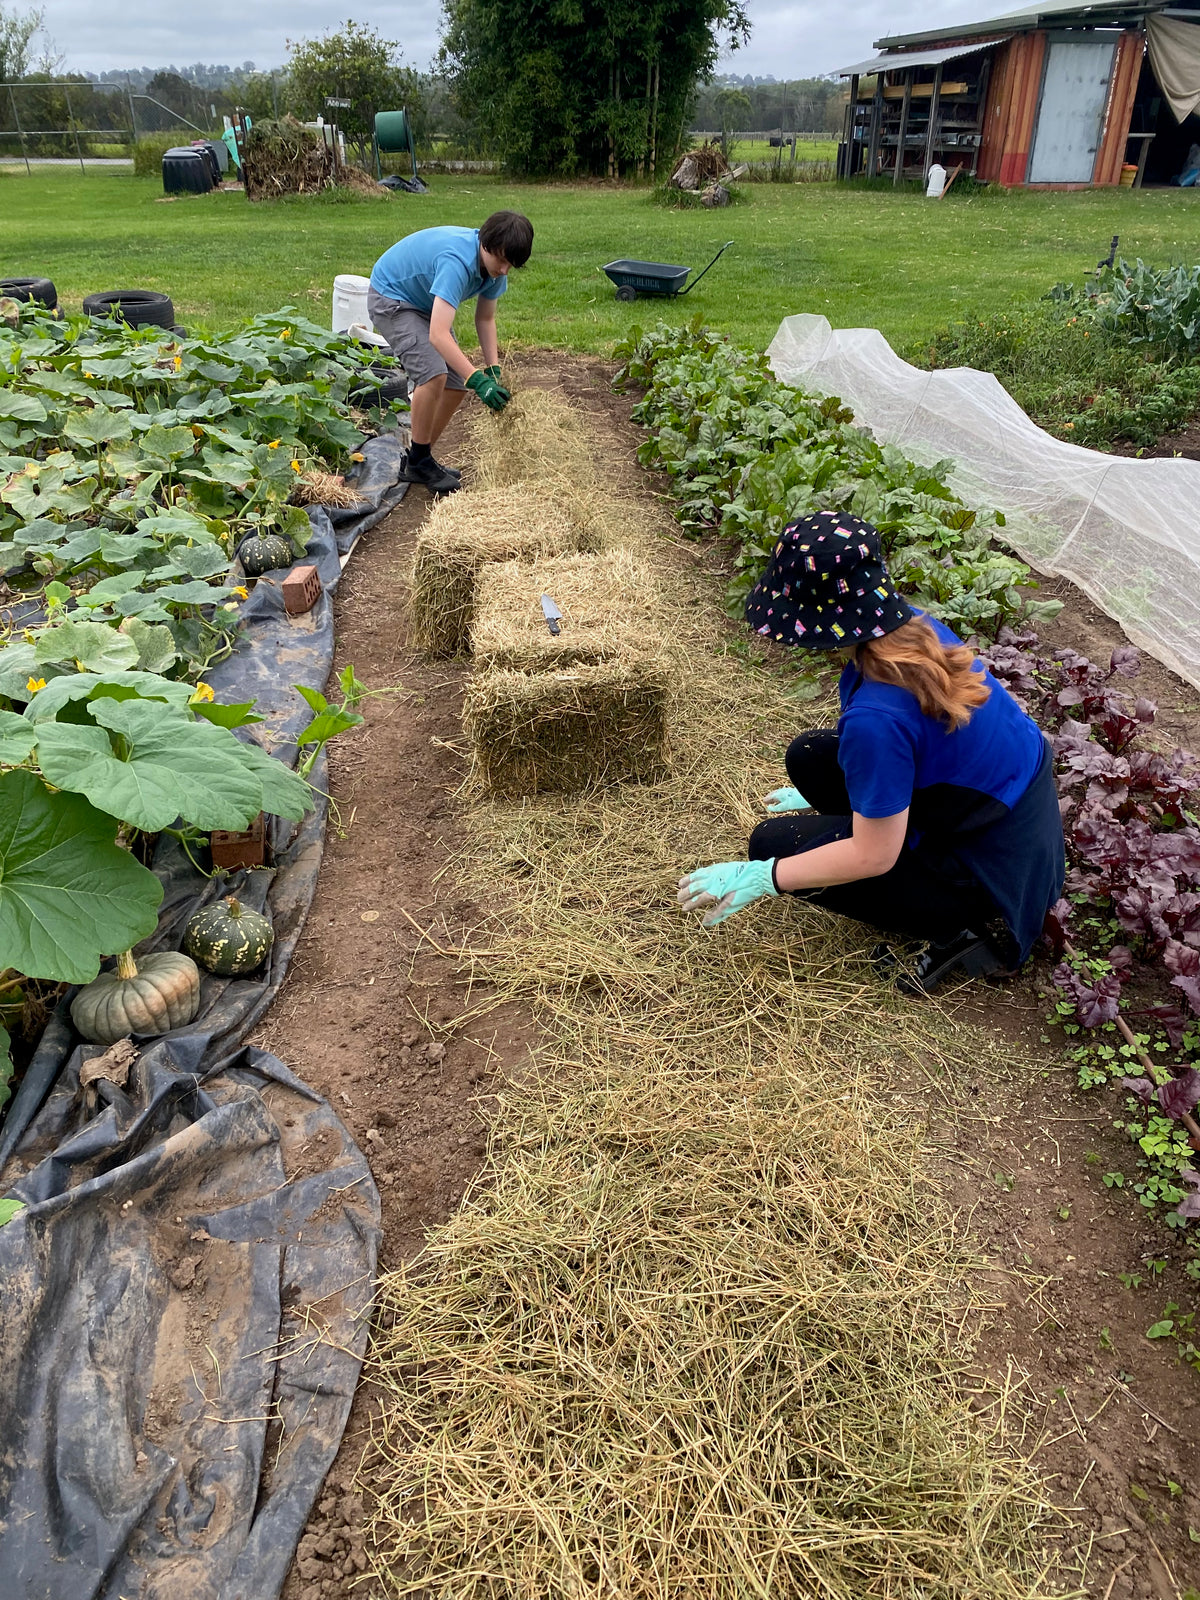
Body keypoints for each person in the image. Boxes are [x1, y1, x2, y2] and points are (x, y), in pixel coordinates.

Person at [677, 512, 1065, 993]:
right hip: (1008, 820)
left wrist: (768, 877)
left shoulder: (877, 721)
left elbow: (874, 856)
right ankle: (885, 829)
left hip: (989, 869)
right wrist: (862, 794)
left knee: (772, 845)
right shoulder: (915, 632)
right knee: (809, 756)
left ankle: (961, 931)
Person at [367, 211, 535, 495]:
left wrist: (492, 369)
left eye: (511, 265)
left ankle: (420, 457)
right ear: (486, 245)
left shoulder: (495, 269)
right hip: (392, 297)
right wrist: (478, 379)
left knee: (457, 383)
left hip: (422, 302)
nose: (505, 270)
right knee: (433, 374)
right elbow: (438, 335)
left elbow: (485, 319)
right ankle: (419, 460)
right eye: (502, 261)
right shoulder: (456, 261)